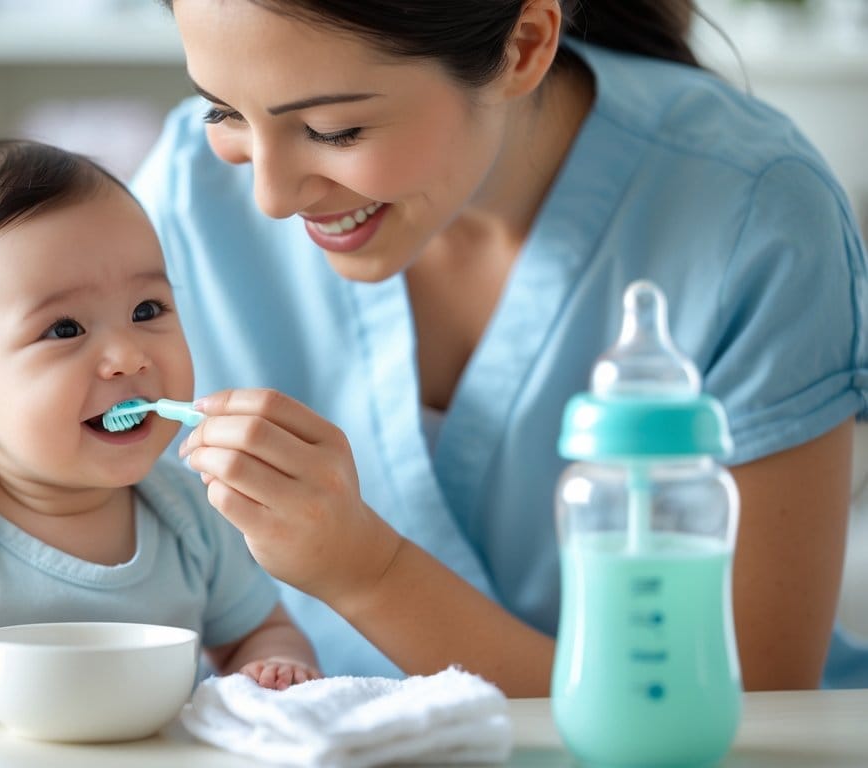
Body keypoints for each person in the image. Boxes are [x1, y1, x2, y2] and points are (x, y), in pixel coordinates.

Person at [131, 0, 868, 694]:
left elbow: (751, 706)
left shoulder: (754, 211)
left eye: (332, 130)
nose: (269, 197)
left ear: (523, 47)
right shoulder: (189, 192)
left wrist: (364, 572)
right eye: (222, 111)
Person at [0, 139, 321, 713]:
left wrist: (274, 664)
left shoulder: (190, 510)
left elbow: (261, 632)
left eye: (147, 310)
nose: (128, 356)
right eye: (64, 329)